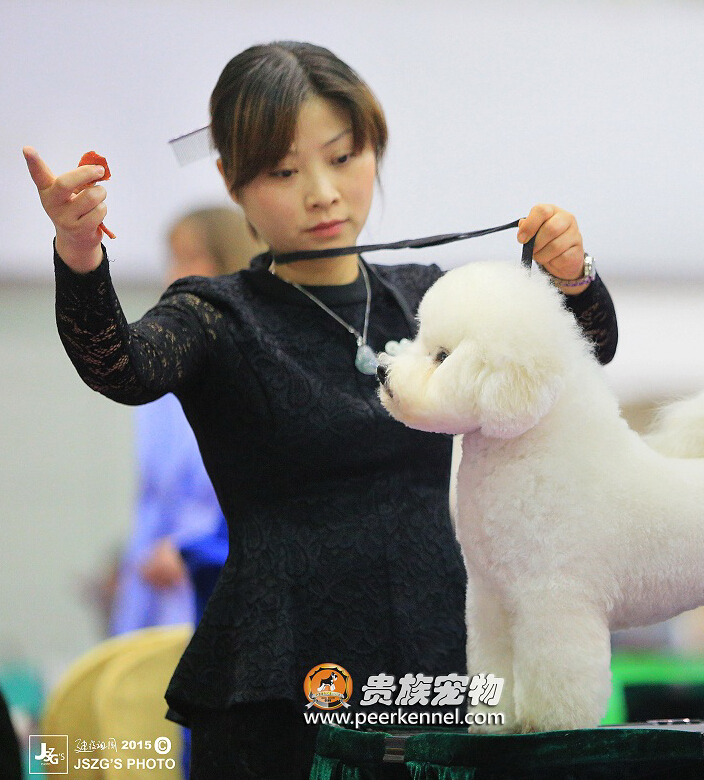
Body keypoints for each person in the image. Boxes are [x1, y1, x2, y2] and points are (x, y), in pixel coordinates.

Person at [25, 40, 618, 779]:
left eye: (343, 157)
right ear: (231, 181)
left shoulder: (429, 297)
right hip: (281, 676)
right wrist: (79, 253)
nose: (323, 193)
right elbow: (120, 366)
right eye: (283, 171)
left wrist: (573, 277)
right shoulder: (215, 314)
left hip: (441, 650)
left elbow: (584, 353)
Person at [110, 208, 259, 636]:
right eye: (172, 259)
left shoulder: (255, 368)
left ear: (230, 261)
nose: (174, 275)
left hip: (221, 580)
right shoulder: (162, 371)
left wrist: (190, 552)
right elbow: (153, 498)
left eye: (191, 257)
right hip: (153, 584)